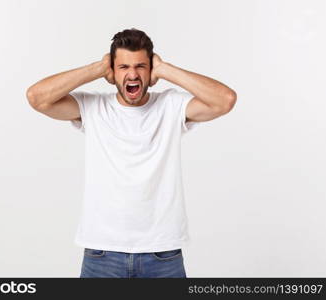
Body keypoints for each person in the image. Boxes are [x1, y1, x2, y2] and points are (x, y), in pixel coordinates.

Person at [26, 28, 237, 278]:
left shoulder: (171, 106)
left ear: (151, 71)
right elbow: (36, 97)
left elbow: (225, 100)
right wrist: (97, 68)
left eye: (140, 66)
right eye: (123, 67)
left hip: (163, 254)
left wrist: (166, 69)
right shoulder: (93, 107)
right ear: (112, 72)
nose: (133, 74)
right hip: (102, 253)